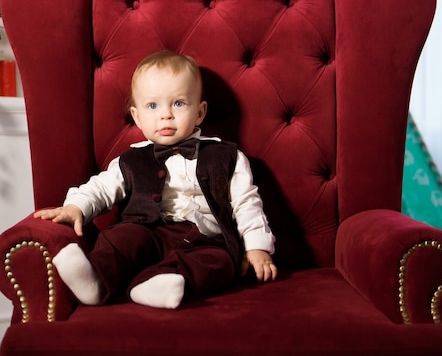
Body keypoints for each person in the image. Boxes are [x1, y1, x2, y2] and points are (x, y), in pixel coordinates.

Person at [34, 51, 277, 309]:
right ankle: (96, 280)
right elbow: (102, 188)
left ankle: (158, 284)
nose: (166, 115)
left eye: (179, 103)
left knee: (219, 263)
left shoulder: (228, 156)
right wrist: (77, 207)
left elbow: (246, 204)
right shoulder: (130, 160)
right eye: (152, 106)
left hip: (205, 239)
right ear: (137, 116)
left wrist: (257, 247)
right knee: (121, 239)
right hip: (147, 232)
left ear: (200, 112)